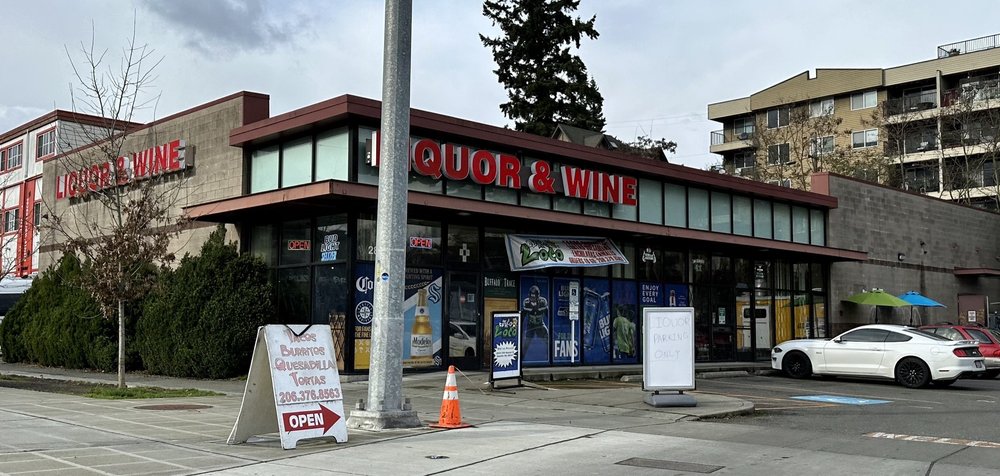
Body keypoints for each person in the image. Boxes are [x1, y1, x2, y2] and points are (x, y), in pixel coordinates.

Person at [522, 285, 549, 357]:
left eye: (534, 298)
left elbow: (549, 315)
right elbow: (522, 316)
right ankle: (521, 359)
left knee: (548, 339)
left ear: (538, 297)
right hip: (530, 325)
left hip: (540, 325)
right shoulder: (526, 302)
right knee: (526, 343)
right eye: (531, 298)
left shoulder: (543, 302)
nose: (533, 300)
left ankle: (549, 357)